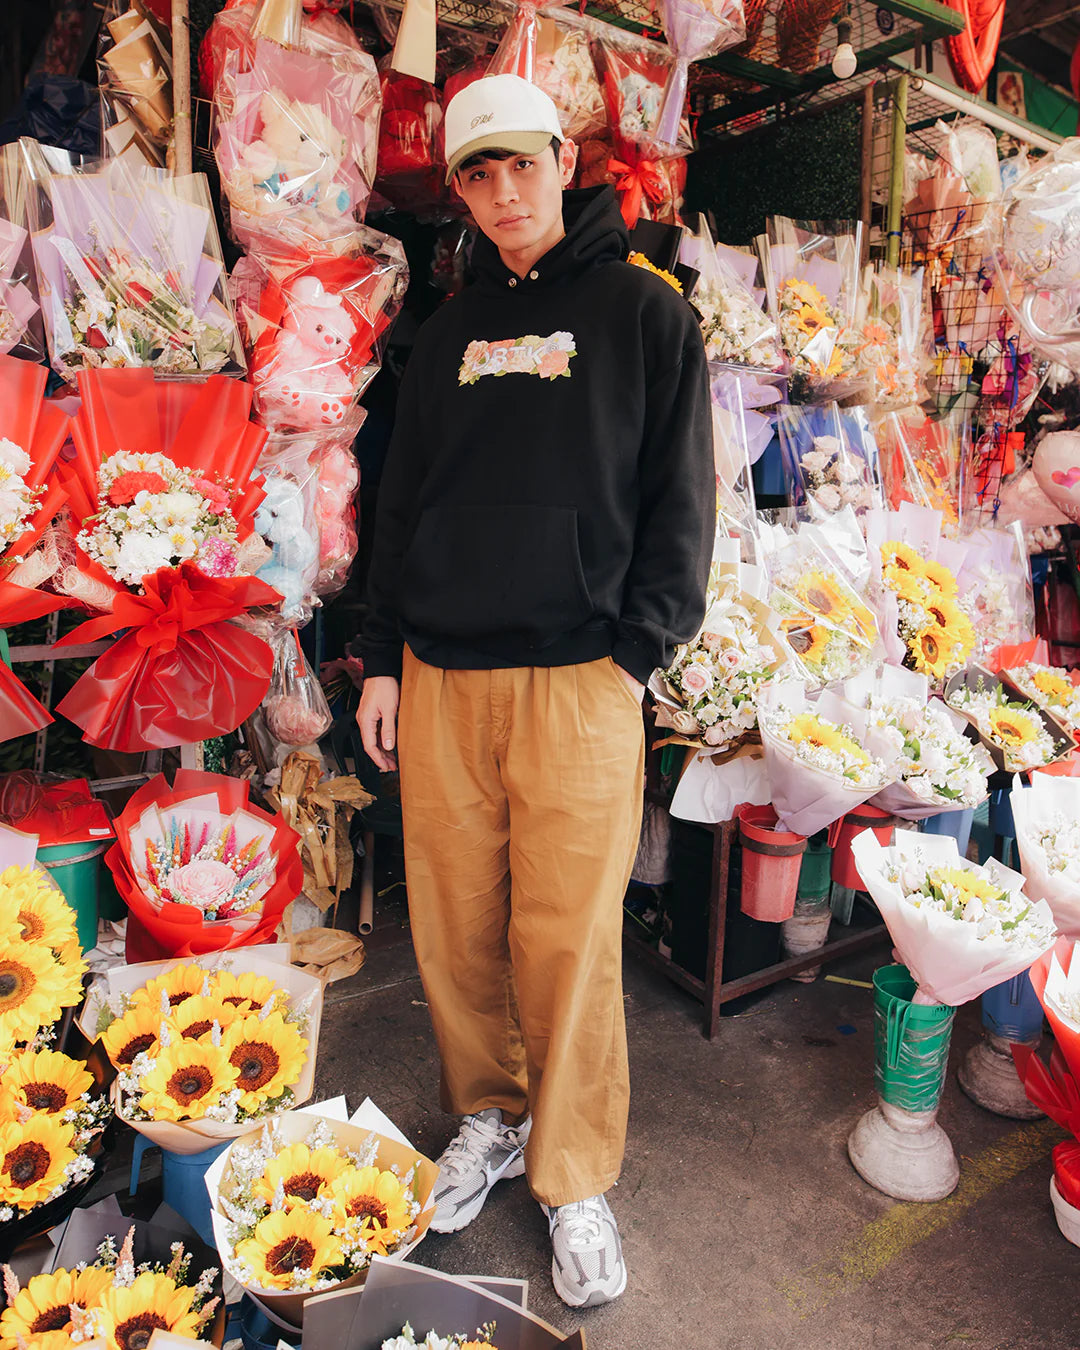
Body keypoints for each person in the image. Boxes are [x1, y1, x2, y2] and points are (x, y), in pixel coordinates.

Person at [357, 72, 715, 1308]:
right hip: (446, 675)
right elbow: (400, 505)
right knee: (455, 932)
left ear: (564, 159)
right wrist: (384, 656)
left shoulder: (646, 316)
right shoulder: (445, 335)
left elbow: (684, 504)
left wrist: (635, 655)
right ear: (455, 189)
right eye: (477, 172)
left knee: (568, 940)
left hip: (580, 681)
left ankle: (573, 1176)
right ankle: (492, 1118)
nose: (504, 192)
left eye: (521, 163)